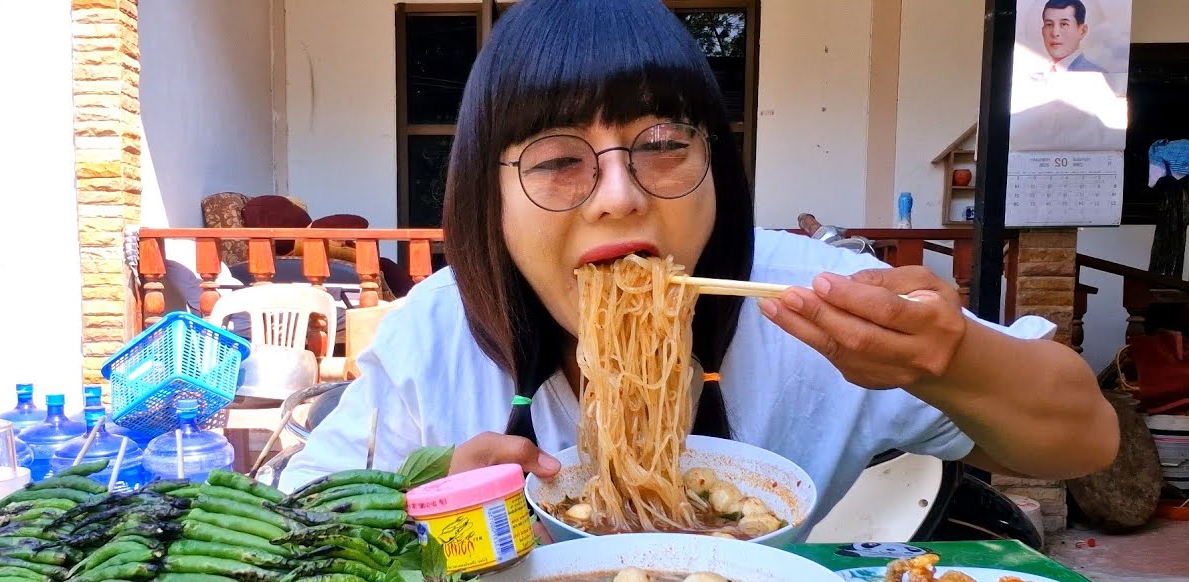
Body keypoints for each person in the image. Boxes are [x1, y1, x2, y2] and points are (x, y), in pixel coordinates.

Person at [280, 0, 1118, 538]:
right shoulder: (438, 334)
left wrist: (953, 361)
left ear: (718, 167)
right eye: (557, 159)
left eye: (664, 146)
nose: (617, 195)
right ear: (484, 198)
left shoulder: (808, 306)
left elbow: (1084, 438)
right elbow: (295, 525)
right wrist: (418, 511)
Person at [1041, 0, 1106, 73]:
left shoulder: (1096, 74)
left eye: (1064, 24)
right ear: (1042, 30)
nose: (1055, 33)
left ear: (1082, 31)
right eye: (1049, 24)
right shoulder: (1039, 70)